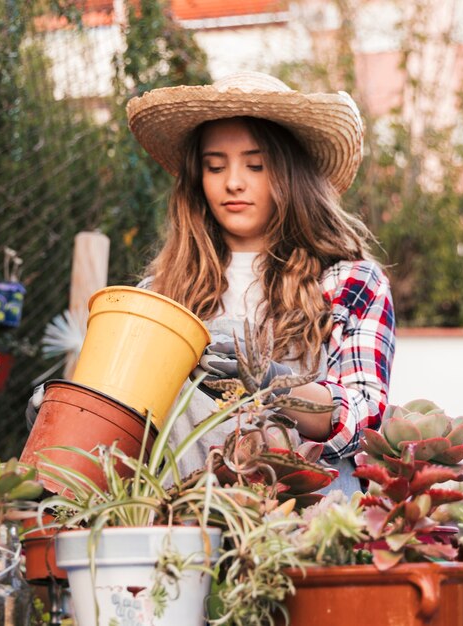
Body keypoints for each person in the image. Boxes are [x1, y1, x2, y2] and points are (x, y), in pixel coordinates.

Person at [125, 72, 396, 497]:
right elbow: (134, 427)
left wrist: (276, 384)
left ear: (290, 175)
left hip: (306, 526)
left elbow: (365, 416)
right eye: (216, 166)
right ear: (198, 179)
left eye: (255, 165)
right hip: (186, 523)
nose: (233, 182)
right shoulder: (161, 294)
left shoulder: (350, 283)